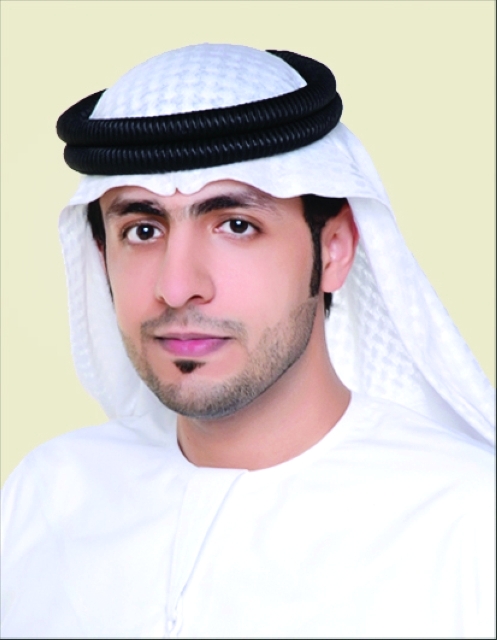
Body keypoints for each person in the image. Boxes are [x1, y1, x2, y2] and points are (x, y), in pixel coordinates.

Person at [1, 44, 494, 639]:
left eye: (237, 225)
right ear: (102, 255)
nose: (177, 287)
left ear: (335, 249)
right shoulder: (47, 495)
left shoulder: (468, 522)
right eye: (143, 229)